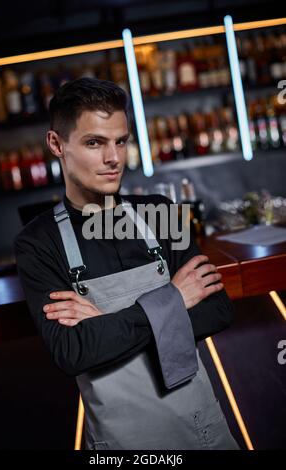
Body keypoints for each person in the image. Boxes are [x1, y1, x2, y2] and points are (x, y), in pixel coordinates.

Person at [14, 77, 239, 450]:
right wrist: (173, 299)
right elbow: (73, 352)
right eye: (94, 143)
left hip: (204, 430)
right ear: (57, 144)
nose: (113, 158)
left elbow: (217, 310)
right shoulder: (38, 243)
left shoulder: (161, 214)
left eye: (120, 141)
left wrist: (104, 324)